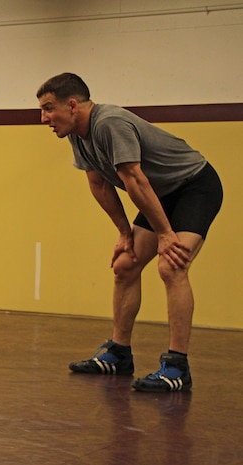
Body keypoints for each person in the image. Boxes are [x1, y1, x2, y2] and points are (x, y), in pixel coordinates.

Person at [36, 72, 223, 392]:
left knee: (171, 265)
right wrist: (124, 233)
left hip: (195, 186)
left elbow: (134, 179)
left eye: (48, 108)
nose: (44, 118)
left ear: (71, 105)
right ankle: (119, 354)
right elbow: (98, 184)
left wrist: (165, 235)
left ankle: (177, 366)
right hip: (160, 194)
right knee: (125, 263)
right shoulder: (76, 133)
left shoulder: (108, 123)